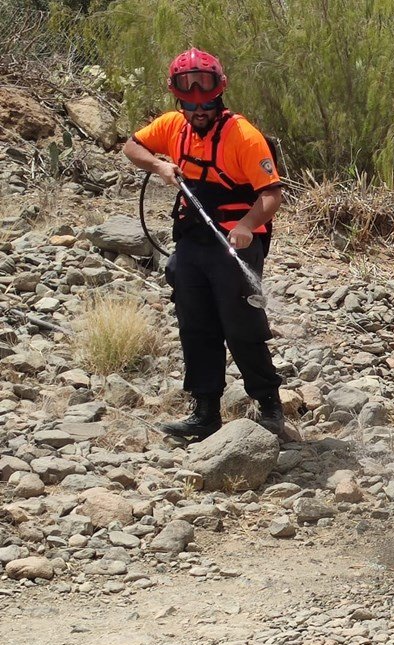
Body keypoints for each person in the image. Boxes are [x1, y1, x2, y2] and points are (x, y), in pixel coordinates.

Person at [123, 48, 284, 443]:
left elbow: (271, 195)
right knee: (196, 323)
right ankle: (205, 410)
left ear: (221, 88)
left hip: (236, 243)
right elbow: (132, 147)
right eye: (186, 91)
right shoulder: (172, 126)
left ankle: (269, 405)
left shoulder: (242, 136)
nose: (197, 102)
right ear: (175, 92)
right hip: (192, 238)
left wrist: (247, 226)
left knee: (241, 323)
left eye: (205, 89)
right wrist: (159, 165)